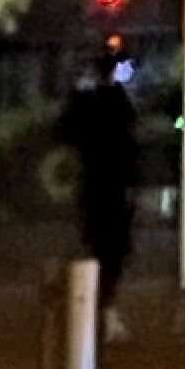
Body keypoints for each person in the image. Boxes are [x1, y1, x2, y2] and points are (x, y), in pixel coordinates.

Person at [54, 47, 143, 337]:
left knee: (95, 248)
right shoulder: (117, 102)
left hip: (92, 186)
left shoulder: (86, 101)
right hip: (111, 187)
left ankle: (92, 309)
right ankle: (102, 310)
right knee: (111, 252)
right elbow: (129, 147)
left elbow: (64, 132)